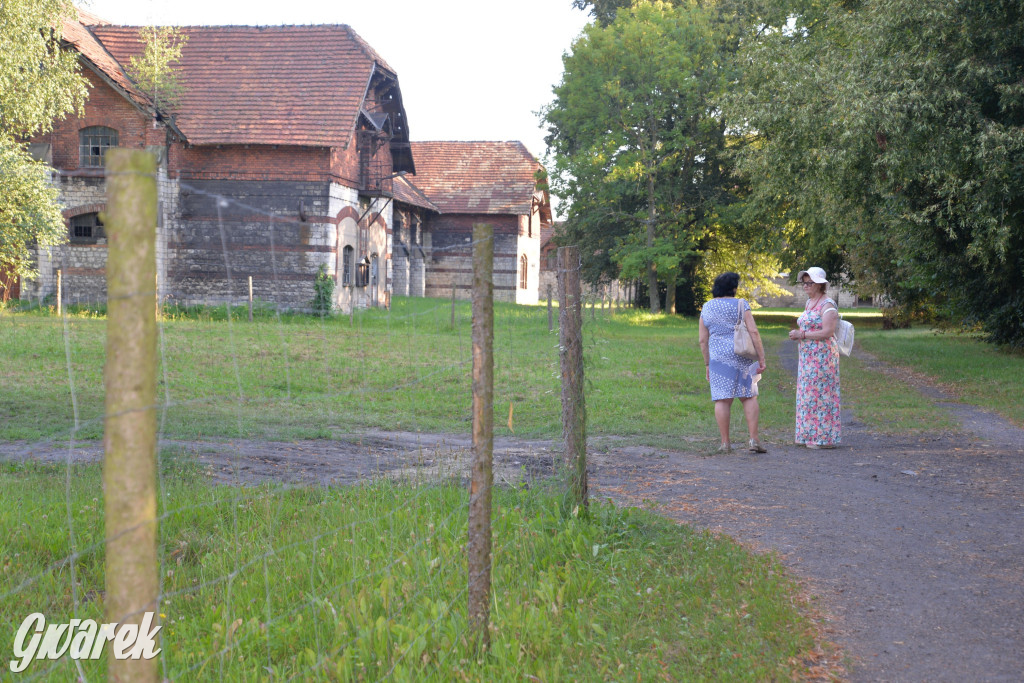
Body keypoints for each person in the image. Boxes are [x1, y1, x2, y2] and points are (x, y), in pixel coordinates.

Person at [698, 272, 768, 453]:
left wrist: (707, 364)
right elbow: (753, 331)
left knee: (722, 399)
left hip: (718, 358)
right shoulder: (741, 304)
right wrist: (761, 357)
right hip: (741, 354)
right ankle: (754, 440)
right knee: (748, 396)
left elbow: (703, 340)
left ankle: (725, 443)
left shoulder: (706, 307)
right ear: (734, 288)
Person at [787, 267, 841, 448]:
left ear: (819, 285)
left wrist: (802, 335)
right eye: (804, 282)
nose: (805, 286)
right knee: (808, 393)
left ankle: (823, 438)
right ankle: (808, 435)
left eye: (809, 283)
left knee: (821, 394)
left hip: (823, 356)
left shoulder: (827, 305)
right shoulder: (810, 303)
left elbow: (828, 331)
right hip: (808, 356)